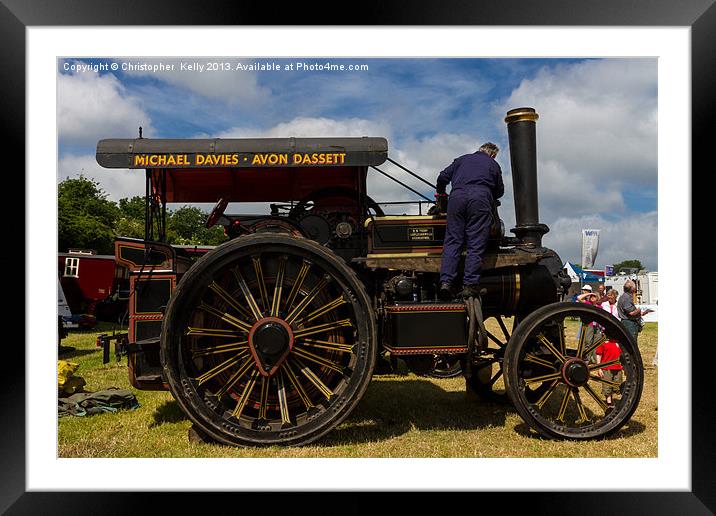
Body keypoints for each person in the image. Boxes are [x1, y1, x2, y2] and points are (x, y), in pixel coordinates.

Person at [436, 142, 504, 299]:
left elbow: (442, 177)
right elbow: (499, 191)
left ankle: (445, 282)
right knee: (476, 244)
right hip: (480, 199)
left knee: (453, 241)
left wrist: (442, 196)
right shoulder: (493, 164)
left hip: (456, 198)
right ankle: (470, 285)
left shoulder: (461, 159)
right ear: (492, 154)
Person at [617, 279, 650, 345]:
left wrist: (642, 313)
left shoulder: (625, 296)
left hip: (628, 322)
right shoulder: (626, 297)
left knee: (629, 343)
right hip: (629, 324)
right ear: (632, 289)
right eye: (634, 286)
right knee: (632, 344)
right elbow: (631, 313)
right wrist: (639, 309)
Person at [595, 339, 623, 409]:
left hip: (618, 368)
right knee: (607, 386)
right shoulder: (603, 343)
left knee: (618, 385)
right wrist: (599, 367)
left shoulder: (618, 343)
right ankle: (609, 403)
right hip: (606, 369)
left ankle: (620, 400)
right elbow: (599, 355)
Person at [576, 289, 602, 363]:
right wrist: (589, 293)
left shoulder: (600, 307)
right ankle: (585, 359)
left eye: (594, 296)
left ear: (598, 298)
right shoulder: (587, 303)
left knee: (596, 344)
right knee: (587, 343)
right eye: (591, 296)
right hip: (589, 325)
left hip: (597, 327)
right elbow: (579, 298)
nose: (592, 297)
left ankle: (594, 360)